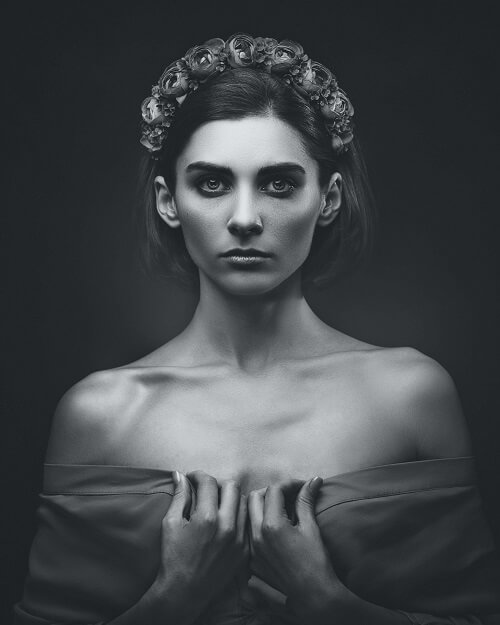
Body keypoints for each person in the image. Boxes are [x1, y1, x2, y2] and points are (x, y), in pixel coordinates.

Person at [13, 33, 500, 625]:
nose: (245, 219)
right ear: (169, 201)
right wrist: (174, 599)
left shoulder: (411, 396)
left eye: (279, 183)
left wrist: (334, 608)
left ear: (328, 198)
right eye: (212, 183)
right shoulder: (100, 414)